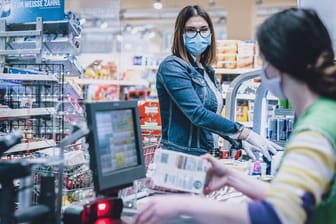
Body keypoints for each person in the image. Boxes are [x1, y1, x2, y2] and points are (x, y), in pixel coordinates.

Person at [134, 8, 336, 224]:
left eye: (264, 59)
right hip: (180, 162)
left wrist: (185, 205)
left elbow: (279, 215)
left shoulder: (314, 130)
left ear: (278, 64)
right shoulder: (325, 113)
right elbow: (293, 200)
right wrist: (232, 171)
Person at [156, 5, 280, 160]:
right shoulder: (172, 67)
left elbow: (211, 117)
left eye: (203, 29)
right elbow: (198, 115)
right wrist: (245, 133)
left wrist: (237, 139)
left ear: (210, 34)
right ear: (180, 34)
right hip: (182, 159)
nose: (198, 35)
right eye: (191, 30)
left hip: (204, 156)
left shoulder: (207, 70)